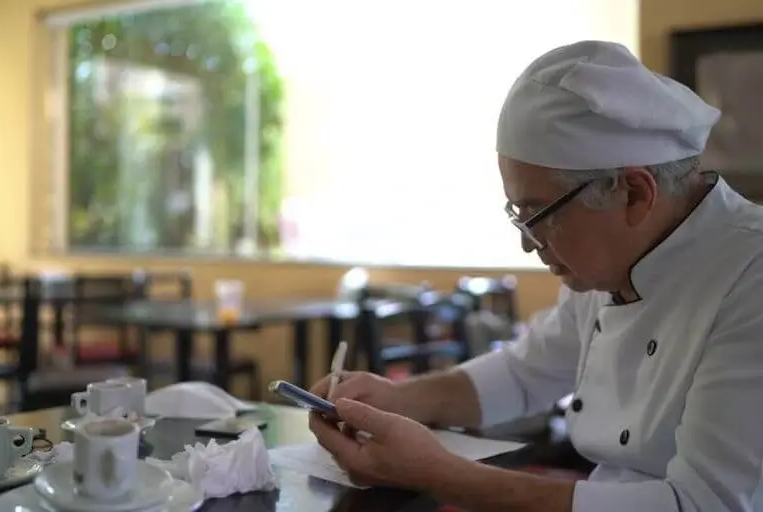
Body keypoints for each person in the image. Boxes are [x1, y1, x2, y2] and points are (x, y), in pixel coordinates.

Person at [308, 40, 763, 512]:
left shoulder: (751, 276)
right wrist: (401, 399)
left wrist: (439, 473)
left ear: (634, 193)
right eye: (517, 213)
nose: (528, 241)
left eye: (538, 213)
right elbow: (525, 372)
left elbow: (704, 505)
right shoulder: (617, 257)